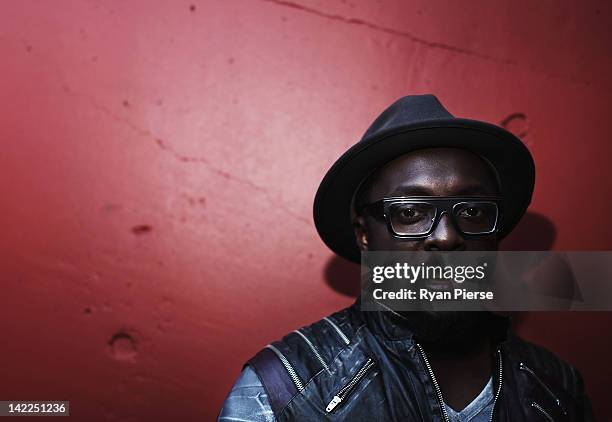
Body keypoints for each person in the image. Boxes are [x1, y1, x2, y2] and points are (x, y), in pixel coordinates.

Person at [218, 95, 594, 421]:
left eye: (473, 212)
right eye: (411, 212)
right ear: (365, 234)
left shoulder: (558, 388)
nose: (447, 237)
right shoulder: (283, 392)